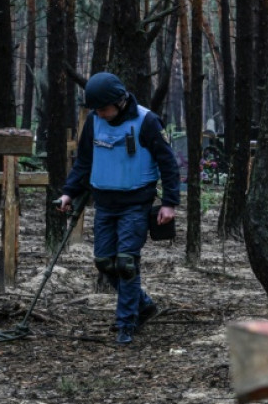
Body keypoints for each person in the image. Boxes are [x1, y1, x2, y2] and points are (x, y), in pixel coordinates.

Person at [59, 72, 180, 345]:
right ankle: (143, 304)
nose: (100, 114)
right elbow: (84, 162)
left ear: (120, 101)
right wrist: (68, 192)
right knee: (104, 262)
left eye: (103, 108)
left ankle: (126, 323)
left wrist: (170, 203)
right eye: (96, 110)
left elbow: (168, 163)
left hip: (136, 204)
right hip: (104, 204)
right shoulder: (93, 122)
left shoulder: (146, 121)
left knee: (126, 263)